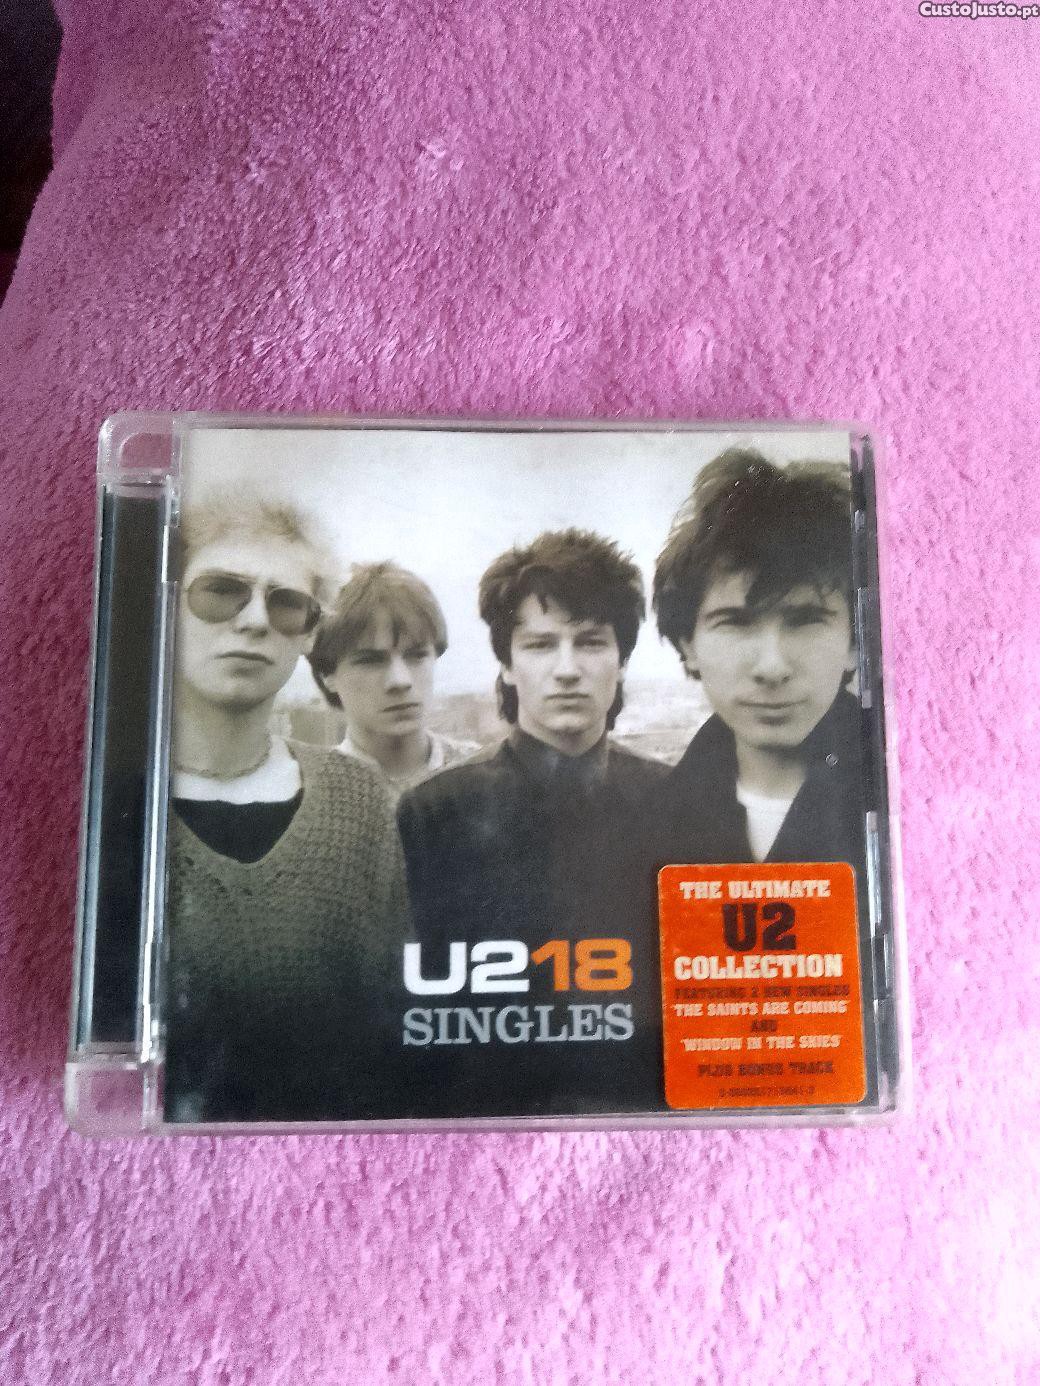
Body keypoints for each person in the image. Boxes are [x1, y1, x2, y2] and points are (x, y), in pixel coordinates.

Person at [396, 529, 667, 1117]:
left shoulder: (675, 800)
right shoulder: (433, 813)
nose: (567, 670)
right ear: (508, 665)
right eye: (541, 645)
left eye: (590, 642)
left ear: (622, 661)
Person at [165, 494, 409, 1123]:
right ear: (166, 606)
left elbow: (393, 1016)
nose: (254, 622)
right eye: (221, 592)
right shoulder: (120, 805)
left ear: (308, 635)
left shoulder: (359, 799)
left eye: (286, 604)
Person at [651, 448, 866, 870]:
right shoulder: (644, 826)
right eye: (734, 622)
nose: (771, 668)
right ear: (688, 645)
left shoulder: (906, 801)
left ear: (855, 643)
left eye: (805, 620)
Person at [308, 562, 478, 803]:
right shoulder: (310, 794)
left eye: (416, 655)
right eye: (370, 661)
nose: (400, 680)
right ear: (327, 675)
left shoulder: (484, 773)